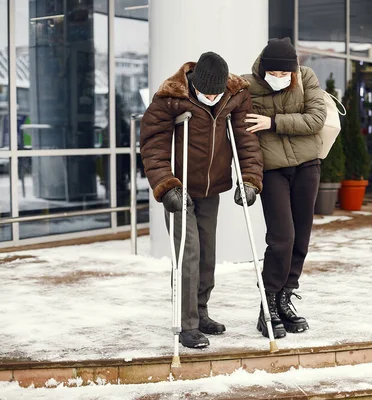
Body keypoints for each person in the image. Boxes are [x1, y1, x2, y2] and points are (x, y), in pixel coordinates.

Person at [140, 52, 263, 349]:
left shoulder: (234, 95)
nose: (210, 97)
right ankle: (187, 323)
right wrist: (166, 186)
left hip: (211, 189)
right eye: (205, 92)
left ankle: (202, 312)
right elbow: (153, 144)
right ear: (195, 85)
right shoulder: (171, 96)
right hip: (179, 190)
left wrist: (249, 180)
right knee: (189, 252)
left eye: (215, 92)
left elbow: (246, 140)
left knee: (207, 253)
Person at [243, 38, 326, 339]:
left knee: (301, 236)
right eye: (273, 74)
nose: (279, 79)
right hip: (273, 170)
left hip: (307, 166)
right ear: (263, 70)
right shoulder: (246, 86)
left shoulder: (306, 78)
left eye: (284, 75)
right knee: (282, 238)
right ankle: (267, 304)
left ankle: (284, 297)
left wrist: (273, 122)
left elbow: (316, 119)